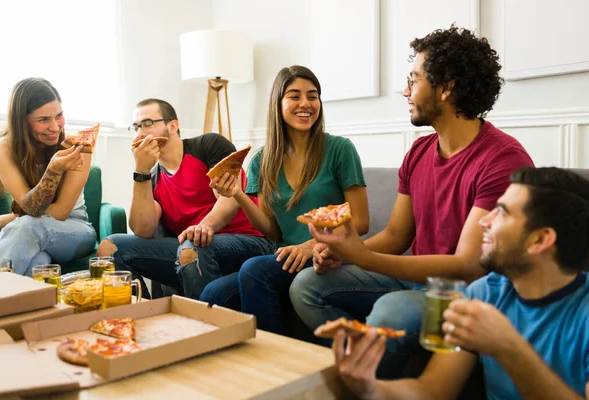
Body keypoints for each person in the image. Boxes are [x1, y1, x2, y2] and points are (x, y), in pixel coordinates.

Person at [290, 26, 535, 377]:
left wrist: (365, 257)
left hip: (466, 291)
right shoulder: (419, 152)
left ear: (446, 87)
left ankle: (370, 382)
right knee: (307, 285)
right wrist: (345, 252)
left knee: (390, 311)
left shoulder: (502, 159)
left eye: (414, 80)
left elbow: (468, 265)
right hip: (419, 280)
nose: (405, 91)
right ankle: (362, 370)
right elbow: (396, 235)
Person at [333, 167, 589, 400]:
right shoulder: (483, 293)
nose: (483, 221)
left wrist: (509, 348)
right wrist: (371, 388)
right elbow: (431, 391)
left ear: (540, 239)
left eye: (502, 213)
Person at [202, 65, 369, 334]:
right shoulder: (262, 160)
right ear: (278, 103)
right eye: (294, 96)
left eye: (312, 96)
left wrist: (309, 245)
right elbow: (272, 230)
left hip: (329, 254)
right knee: (213, 294)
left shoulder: (340, 149)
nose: (305, 103)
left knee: (255, 270)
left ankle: (271, 361)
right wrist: (238, 195)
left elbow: (360, 221)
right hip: (284, 257)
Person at [96, 98, 273, 299]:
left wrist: (204, 226)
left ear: (173, 126)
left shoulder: (208, 145)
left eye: (147, 124)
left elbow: (229, 198)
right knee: (110, 248)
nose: (140, 134)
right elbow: (143, 229)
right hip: (190, 248)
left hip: (248, 241)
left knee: (191, 247)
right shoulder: (152, 179)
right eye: (135, 127)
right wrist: (141, 171)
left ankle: (206, 326)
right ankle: (143, 317)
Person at [0, 78, 96, 276]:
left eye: (59, 115)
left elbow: (62, 212)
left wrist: (0, 221)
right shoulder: (3, 149)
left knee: (26, 226)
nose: (55, 127)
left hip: (75, 228)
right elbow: (30, 207)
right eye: (43, 120)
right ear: (22, 122)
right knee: (38, 263)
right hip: (29, 228)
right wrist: (53, 171)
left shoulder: (78, 146)